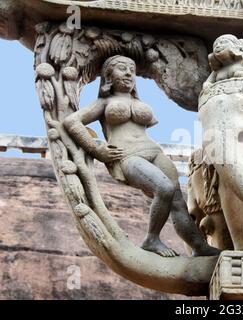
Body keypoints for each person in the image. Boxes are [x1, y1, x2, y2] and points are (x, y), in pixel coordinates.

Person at [64, 55, 220, 257]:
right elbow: (72, 122)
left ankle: (199, 246)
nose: (129, 73)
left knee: (177, 200)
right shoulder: (104, 103)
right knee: (163, 188)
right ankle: (151, 239)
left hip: (154, 151)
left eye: (132, 69)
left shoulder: (137, 101)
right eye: (122, 68)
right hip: (127, 154)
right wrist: (96, 150)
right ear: (108, 76)